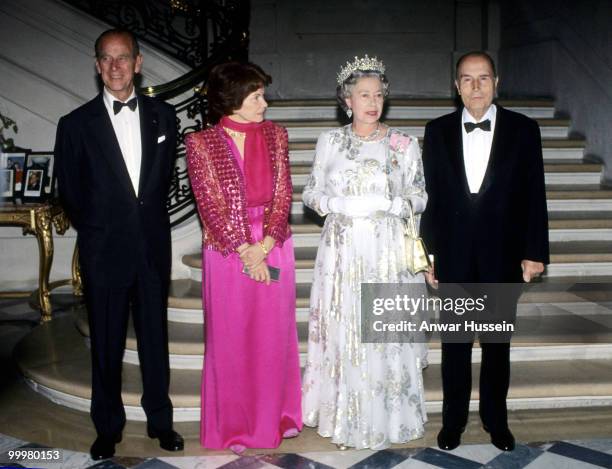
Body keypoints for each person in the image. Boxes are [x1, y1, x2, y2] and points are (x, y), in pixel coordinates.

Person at [55, 28, 183, 460]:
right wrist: (99, 230)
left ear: (138, 62)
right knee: (106, 342)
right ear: (96, 66)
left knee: (154, 339)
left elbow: (163, 183)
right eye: (106, 59)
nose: (115, 67)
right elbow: (69, 191)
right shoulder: (74, 125)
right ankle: (107, 427)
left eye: (122, 58)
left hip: (150, 247)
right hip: (103, 250)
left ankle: (160, 423)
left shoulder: (165, 117)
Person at [420, 51, 550, 452]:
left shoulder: (524, 129)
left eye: (483, 78)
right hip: (455, 253)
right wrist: (429, 254)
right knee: (455, 345)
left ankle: (497, 422)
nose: (475, 86)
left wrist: (534, 251)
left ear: (497, 82)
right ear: (456, 86)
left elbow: (534, 195)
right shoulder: (437, 130)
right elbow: (431, 198)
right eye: (467, 79)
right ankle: (453, 422)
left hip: (503, 253)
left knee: (497, 346)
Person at [301, 55, 428, 450]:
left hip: (386, 254)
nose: (372, 102)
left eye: (378, 94)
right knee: (346, 330)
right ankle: (346, 415)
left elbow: (420, 195)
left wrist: (396, 206)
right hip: (341, 254)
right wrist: (334, 206)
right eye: (363, 95)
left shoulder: (403, 144)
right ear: (347, 100)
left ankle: (389, 417)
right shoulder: (331, 142)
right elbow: (310, 192)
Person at [185, 62, 302, 454]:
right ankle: (233, 426)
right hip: (226, 253)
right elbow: (209, 207)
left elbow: (284, 194)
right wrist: (244, 251)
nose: (265, 103)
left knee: (272, 338)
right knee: (232, 339)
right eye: (256, 96)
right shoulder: (200, 143)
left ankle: (273, 420)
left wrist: (264, 247)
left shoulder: (277, 135)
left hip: (274, 245)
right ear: (233, 100)